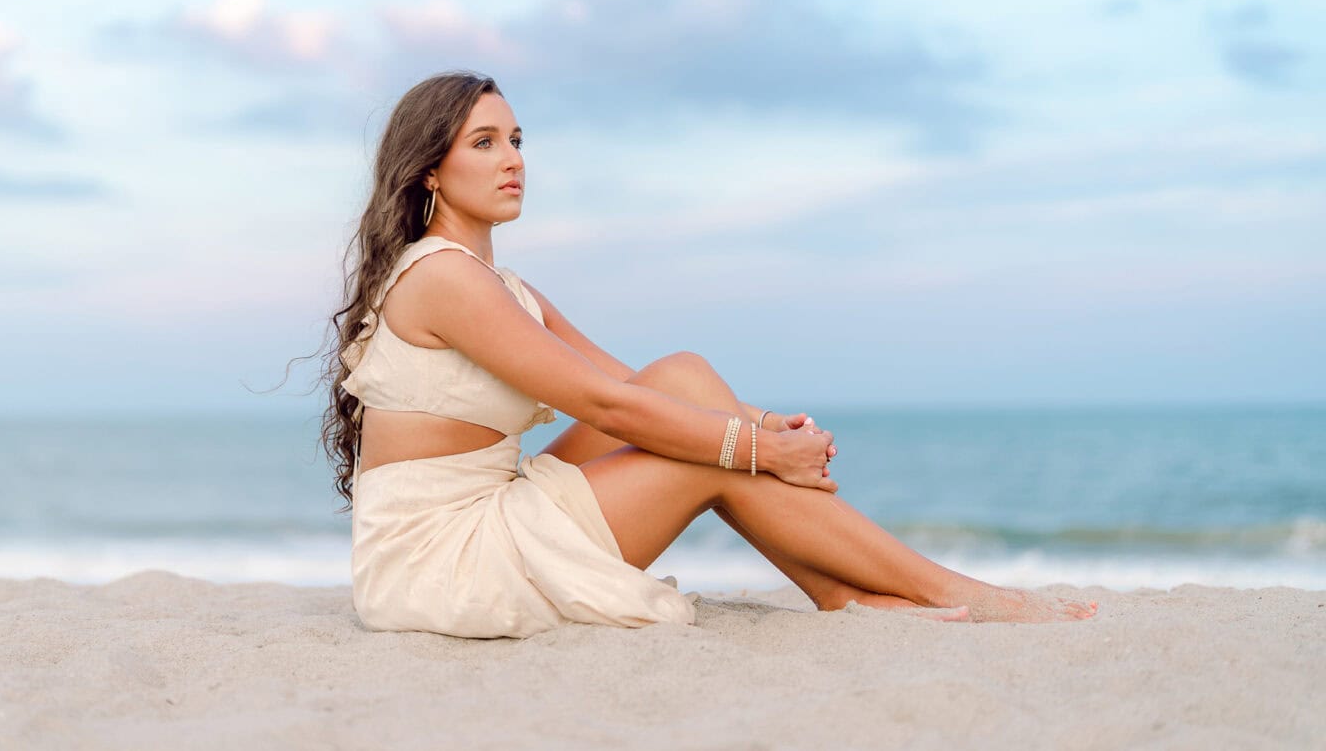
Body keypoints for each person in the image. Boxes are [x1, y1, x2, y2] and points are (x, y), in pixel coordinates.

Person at [317, 70, 1099, 637]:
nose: (514, 158)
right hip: (438, 564)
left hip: (491, 508)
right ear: (430, 170)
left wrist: (771, 429)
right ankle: (946, 589)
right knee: (709, 454)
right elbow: (606, 408)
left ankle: (839, 591)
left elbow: (629, 380)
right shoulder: (443, 279)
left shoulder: (500, 283)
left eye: (516, 139)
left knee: (683, 372)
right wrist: (756, 449)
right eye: (484, 143)